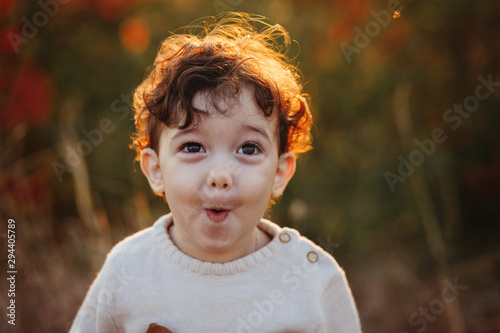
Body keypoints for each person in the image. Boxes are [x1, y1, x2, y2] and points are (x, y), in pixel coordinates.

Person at [70, 12, 361, 333]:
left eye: (248, 148)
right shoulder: (127, 271)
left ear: (279, 173)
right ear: (155, 169)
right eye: (193, 147)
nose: (220, 175)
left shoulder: (312, 280)